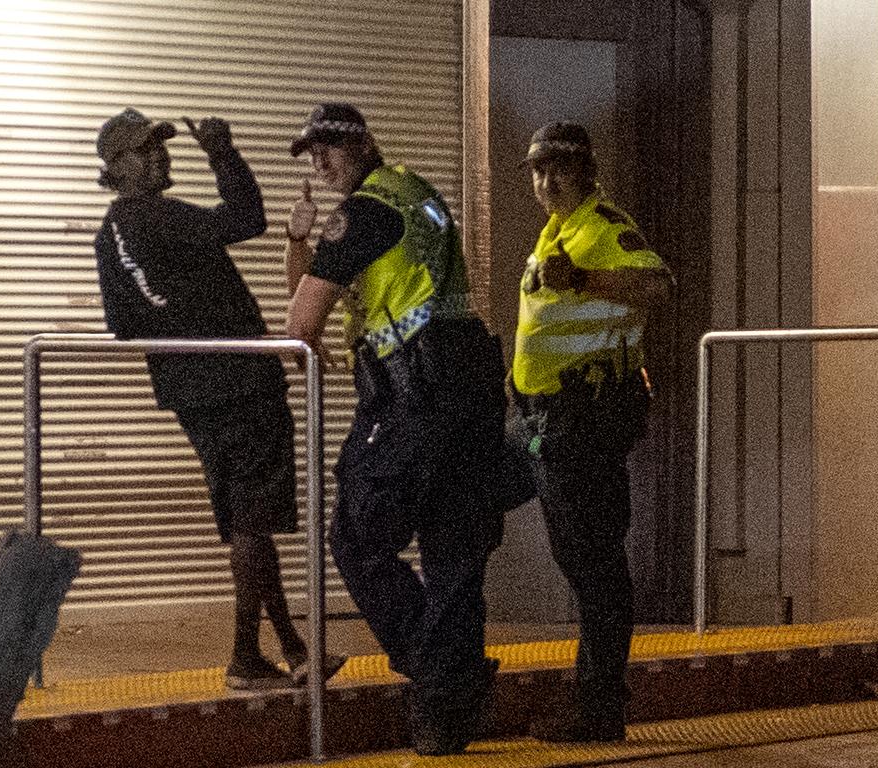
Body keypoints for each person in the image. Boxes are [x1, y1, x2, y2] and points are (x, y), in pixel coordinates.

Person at [92, 107, 344, 691]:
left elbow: (126, 325)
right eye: (144, 150)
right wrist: (222, 152)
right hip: (237, 384)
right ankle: (249, 657)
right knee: (252, 521)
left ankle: (286, 649)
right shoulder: (156, 217)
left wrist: (180, 327)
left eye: (161, 145)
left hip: (191, 393)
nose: (160, 156)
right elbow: (246, 218)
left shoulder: (112, 235)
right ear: (116, 167)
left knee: (245, 524)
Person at [283, 103, 506, 756]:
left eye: (330, 147)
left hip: (414, 396)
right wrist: (300, 240)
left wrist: (303, 336)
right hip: (467, 388)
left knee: (356, 538)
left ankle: (444, 676)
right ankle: (447, 715)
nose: (320, 162)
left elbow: (300, 325)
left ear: (363, 144)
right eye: (311, 152)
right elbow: (316, 294)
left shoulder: (364, 212)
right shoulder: (416, 192)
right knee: (453, 552)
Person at [510, 122, 672, 742]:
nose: (546, 182)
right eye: (538, 170)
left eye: (560, 170)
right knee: (476, 507)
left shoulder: (604, 228)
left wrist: (583, 279)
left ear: (587, 173)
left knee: (594, 565)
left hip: (584, 422)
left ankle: (600, 708)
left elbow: (659, 285)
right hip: (541, 419)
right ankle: (461, 672)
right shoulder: (556, 230)